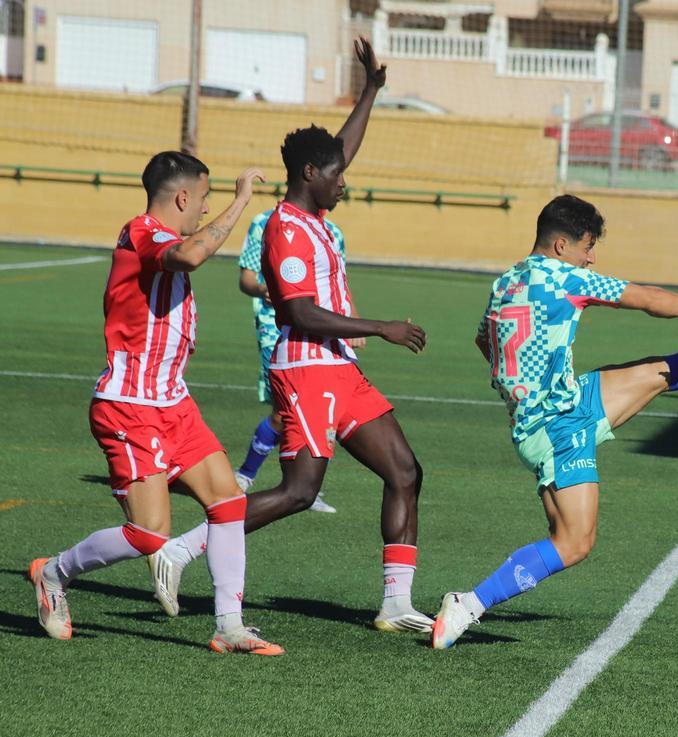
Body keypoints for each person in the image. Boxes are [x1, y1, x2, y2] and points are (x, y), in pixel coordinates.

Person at [148, 37, 434, 634]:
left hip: (340, 370)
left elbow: (341, 150)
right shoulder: (285, 229)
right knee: (301, 491)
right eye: (335, 176)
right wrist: (380, 327)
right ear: (310, 175)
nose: (344, 182)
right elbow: (300, 314)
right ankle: (180, 550)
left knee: (405, 470)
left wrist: (373, 89)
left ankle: (396, 604)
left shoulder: (316, 213)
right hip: (305, 367)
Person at [429, 194, 678, 649]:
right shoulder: (565, 277)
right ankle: (468, 604)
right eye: (587, 247)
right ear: (562, 245)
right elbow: (644, 298)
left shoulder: (507, 281)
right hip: (558, 429)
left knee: (655, 372)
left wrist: (519, 386)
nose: (592, 257)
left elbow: (484, 341)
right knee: (574, 544)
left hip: (557, 407)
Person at [28, 151, 283, 656]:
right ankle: (53, 575)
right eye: (204, 199)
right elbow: (190, 255)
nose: (206, 210)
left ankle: (230, 626)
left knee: (228, 502)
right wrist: (241, 202)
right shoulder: (140, 232)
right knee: (149, 535)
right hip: (128, 406)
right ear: (183, 196)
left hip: (173, 403)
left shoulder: (165, 238)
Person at [231, 207, 350, 513]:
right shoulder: (265, 223)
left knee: (310, 412)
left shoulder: (333, 233)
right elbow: (246, 279)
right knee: (288, 412)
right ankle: (248, 477)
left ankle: (298, 487)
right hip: (276, 330)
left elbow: (338, 288)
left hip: (320, 333)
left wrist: (353, 322)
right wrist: (262, 289)